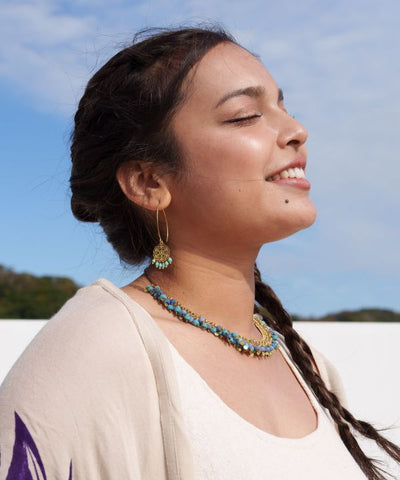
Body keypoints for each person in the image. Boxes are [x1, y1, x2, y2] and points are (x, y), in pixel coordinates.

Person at [0, 26, 399, 480]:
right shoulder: (96, 350)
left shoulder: (307, 367)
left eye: (282, 106)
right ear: (149, 183)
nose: (296, 130)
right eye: (245, 115)